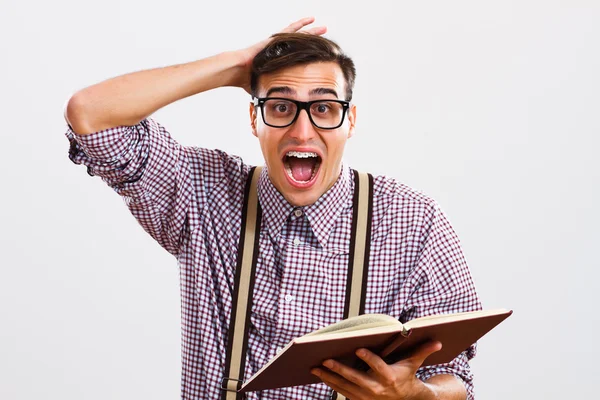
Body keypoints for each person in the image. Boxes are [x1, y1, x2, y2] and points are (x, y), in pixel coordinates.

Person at [64, 17, 481, 400]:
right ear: (254, 119)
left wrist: (417, 396)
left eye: (323, 108)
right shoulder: (203, 192)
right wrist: (234, 66)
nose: (303, 132)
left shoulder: (413, 220)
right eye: (281, 107)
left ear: (349, 121)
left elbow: (455, 376)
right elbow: (91, 114)